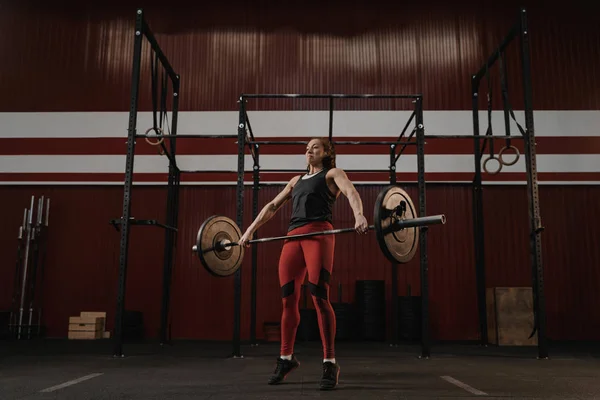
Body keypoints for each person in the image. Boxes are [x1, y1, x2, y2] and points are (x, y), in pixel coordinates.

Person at [238, 137, 369, 390]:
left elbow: (351, 192)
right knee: (288, 298)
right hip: (292, 238)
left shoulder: (333, 173)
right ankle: (286, 358)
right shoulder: (295, 180)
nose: (309, 150)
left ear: (327, 152)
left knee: (319, 297)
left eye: (315, 147)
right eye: (307, 147)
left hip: (319, 234)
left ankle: (330, 362)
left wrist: (359, 214)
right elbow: (273, 205)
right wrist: (250, 230)